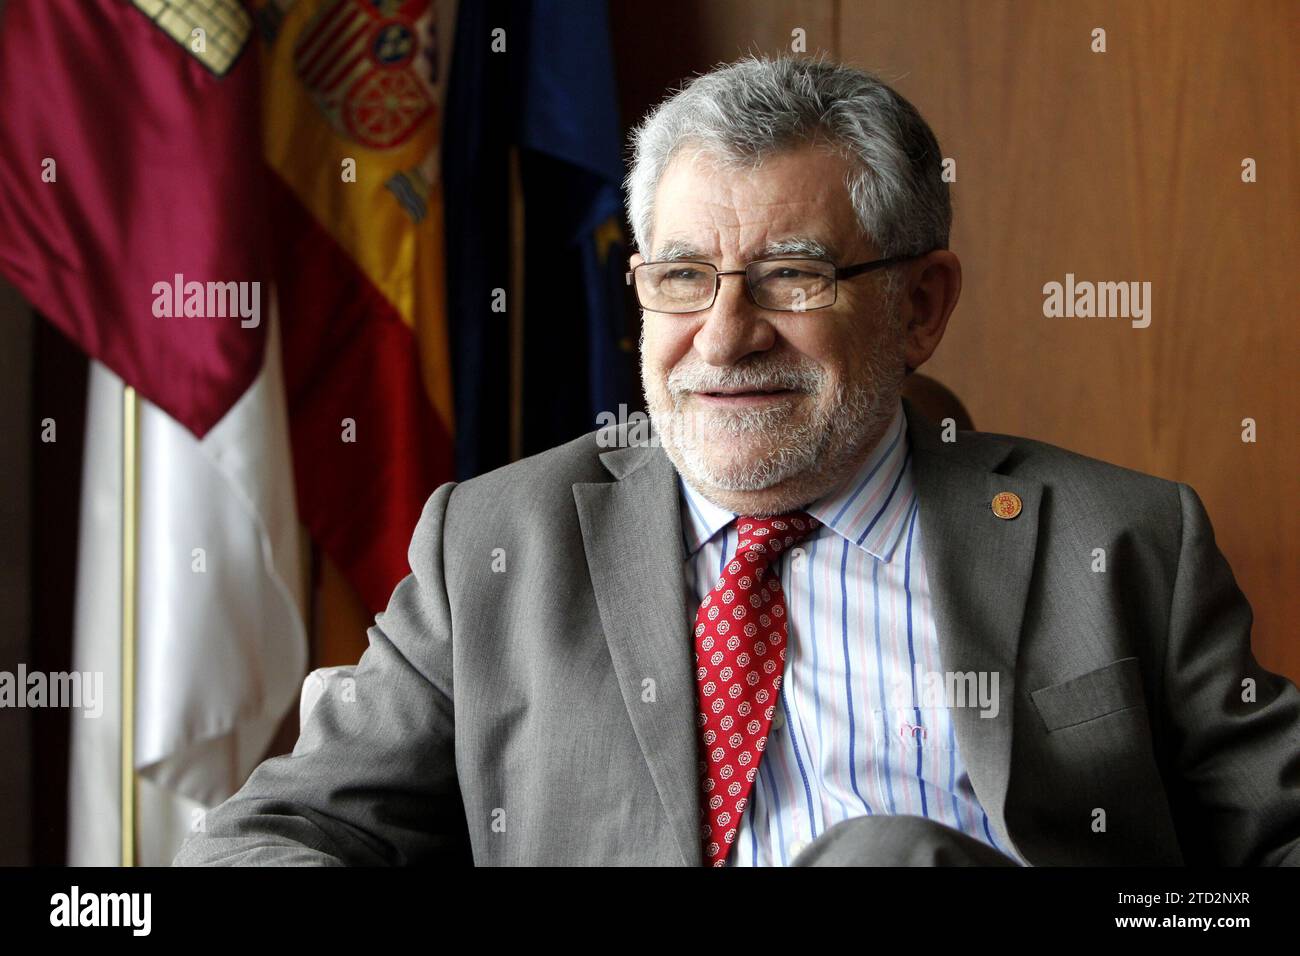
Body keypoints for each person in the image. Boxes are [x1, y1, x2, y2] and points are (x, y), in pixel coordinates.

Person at [174, 55, 1300, 867]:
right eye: (679, 278)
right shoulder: (494, 544)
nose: (722, 337)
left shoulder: (1121, 538)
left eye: (792, 274)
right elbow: (281, 834)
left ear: (920, 305)